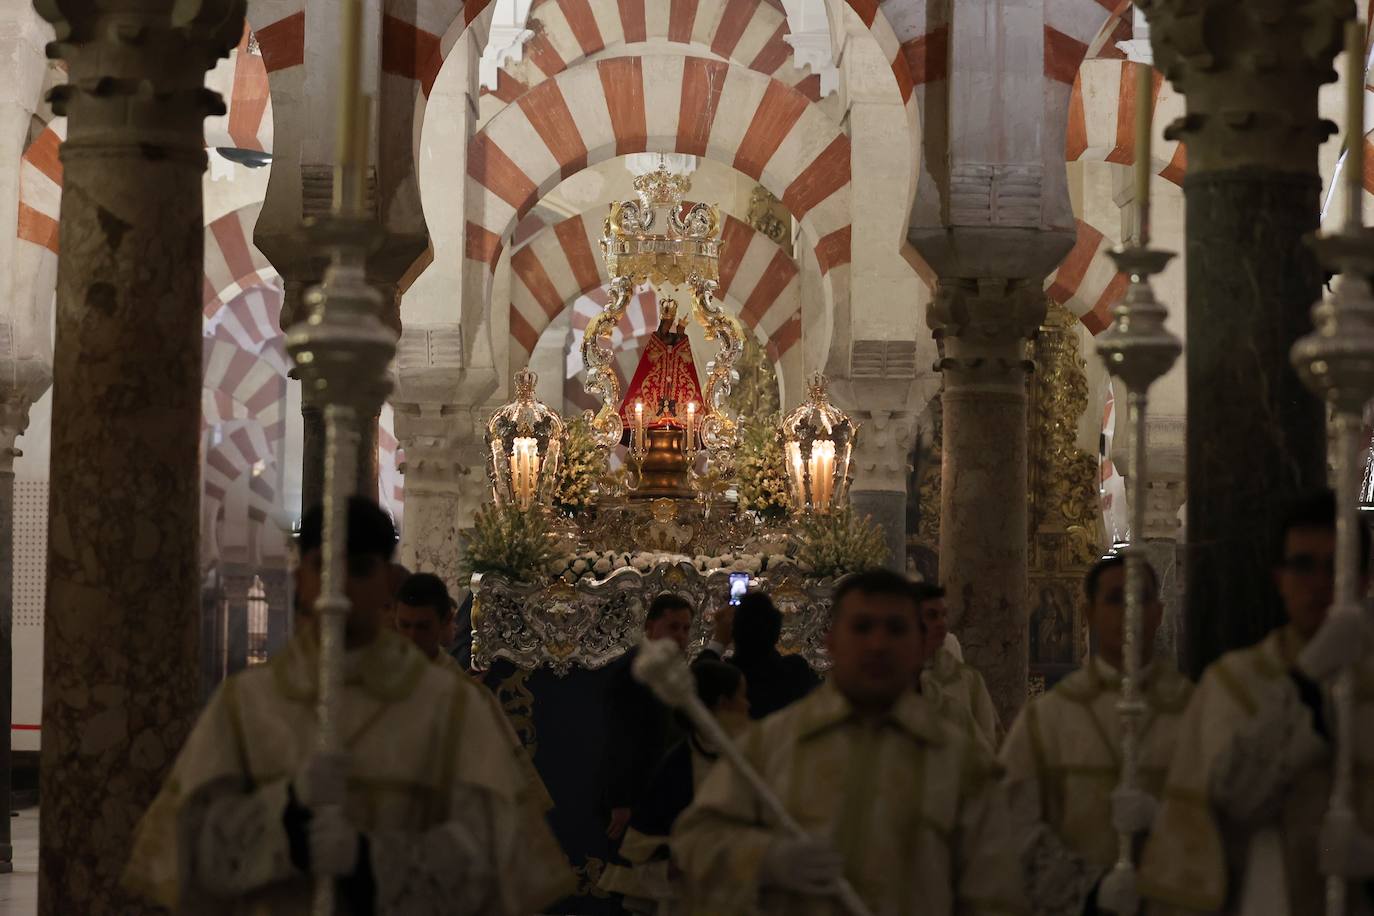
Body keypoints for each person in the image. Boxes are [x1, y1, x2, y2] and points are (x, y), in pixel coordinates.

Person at [123, 497, 572, 915]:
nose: (339, 585)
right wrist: (287, 813)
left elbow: (497, 857)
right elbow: (182, 854)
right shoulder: (245, 705)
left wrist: (369, 858)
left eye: (359, 569)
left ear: (386, 585)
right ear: (299, 577)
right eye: (322, 566)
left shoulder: (449, 706)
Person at [672, 569, 1024, 915]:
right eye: (862, 628)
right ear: (831, 641)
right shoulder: (773, 745)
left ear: (920, 645)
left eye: (895, 629)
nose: (877, 644)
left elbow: (997, 888)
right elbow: (695, 844)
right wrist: (765, 859)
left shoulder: (960, 762)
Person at [1139, 490, 1373, 915]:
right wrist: (1306, 678)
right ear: (1279, 578)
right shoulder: (1234, 684)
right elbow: (1234, 801)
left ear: (1363, 580)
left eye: (1337, 566)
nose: (1321, 582)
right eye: (1303, 566)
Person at [999, 554, 1191, 915]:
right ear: (1088, 615)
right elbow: (1012, 825)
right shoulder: (1048, 718)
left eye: (1142, 598)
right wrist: (1091, 890)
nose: (1130, 610)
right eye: (1116, 599)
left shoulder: (1195, 711)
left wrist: (1166, 819)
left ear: (1159, 613)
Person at [600, 660, 751, 914]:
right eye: (742, 697)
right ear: (722, 704)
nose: (748, 705)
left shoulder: (753, 757)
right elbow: (647, 850)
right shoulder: (676, 768)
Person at [604, 593, 696, 844]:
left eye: (686, 628)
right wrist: (621, 801)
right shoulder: (634, 670)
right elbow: (620, 738)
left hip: (662, 791)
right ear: (649, 627)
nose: (680, 636)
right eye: (673, 627)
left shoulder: (667, 668)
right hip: (638, 794)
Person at [701, 592, 820, 719]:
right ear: (777, 631)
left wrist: (719, 638)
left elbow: (694, 683)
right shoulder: (796, 670)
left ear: (733, 632)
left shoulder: (723, 680)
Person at [915, 582, 1001, 748]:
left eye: (944, 615)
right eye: (932, 615)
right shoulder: (892, 679)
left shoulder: (968, 680)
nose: (941, 623)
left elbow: (988, 741)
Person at [394, 572, 460, 670]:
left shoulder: (454, 681)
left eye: (422, 627)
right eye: (405, 625)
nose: (412, 637)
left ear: (445, 620)